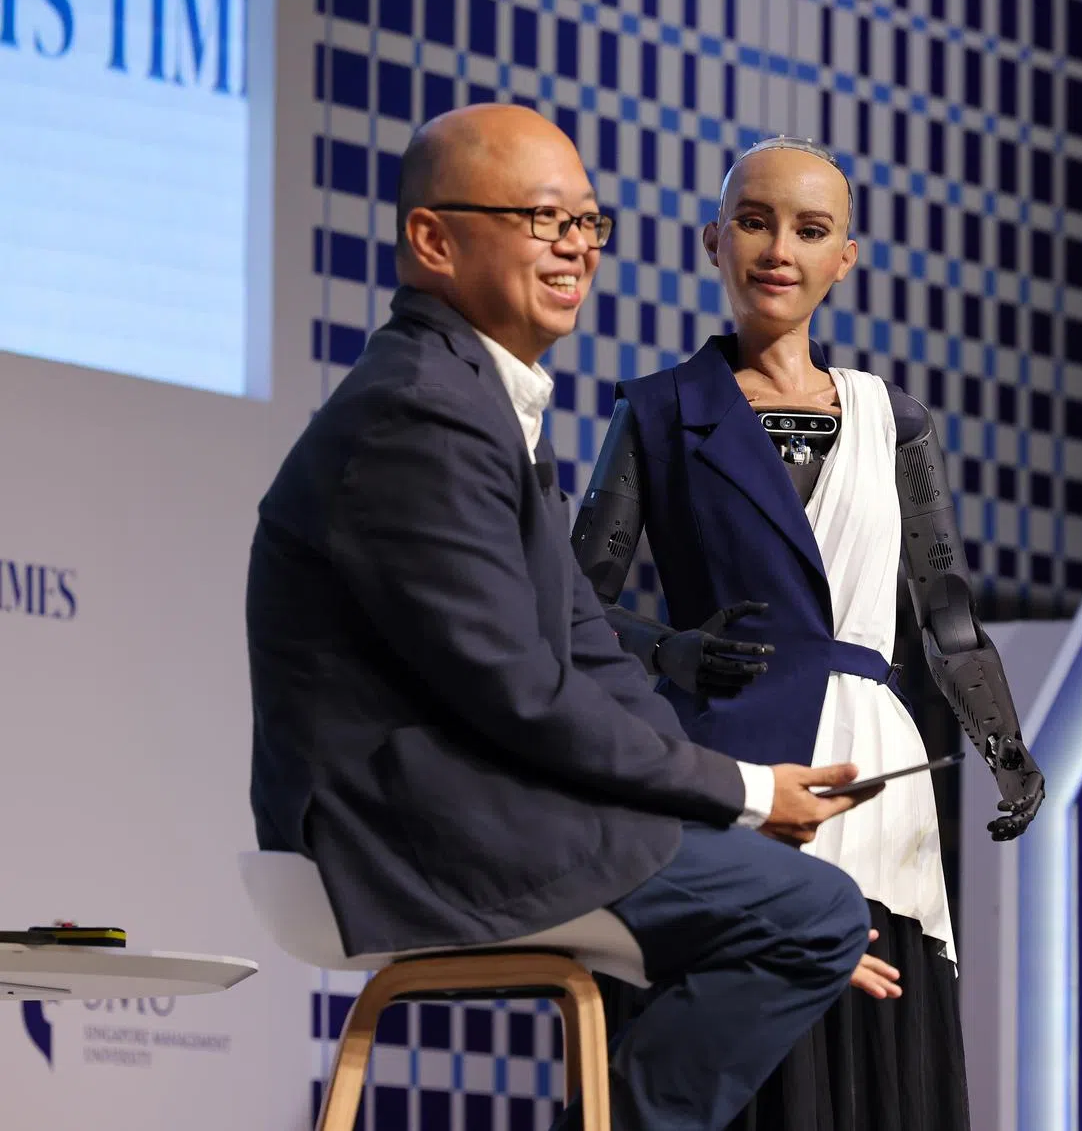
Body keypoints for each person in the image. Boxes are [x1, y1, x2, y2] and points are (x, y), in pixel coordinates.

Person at [245, 105, 892, 1131]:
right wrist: (742, 791)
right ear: (433, 240)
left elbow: (592, 654)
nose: (575, 250)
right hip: (411, 831)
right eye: (545, 221)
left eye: (589, 225)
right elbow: (522, 693)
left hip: (476, 810)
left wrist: (737, 824)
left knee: (798, 906)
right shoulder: (420, 410)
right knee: (812, 914)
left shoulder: (481, 401)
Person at [574, 137, 1045, 1131]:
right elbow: (572, 603)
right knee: (745, 1041)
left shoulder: (893, 420)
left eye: (810, 228)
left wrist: (1006, 749)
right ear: (712, 240)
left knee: (883, 1056)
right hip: (728, 763)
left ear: (847, 259)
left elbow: (945, 611)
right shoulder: (657, 411)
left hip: (876, 771)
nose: (779, 247)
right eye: (754, 220)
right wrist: (672, 651)